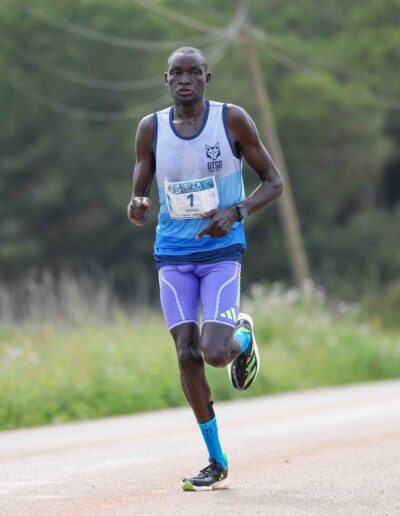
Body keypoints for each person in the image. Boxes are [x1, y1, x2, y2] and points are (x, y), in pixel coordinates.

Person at [127, 47, 283, 491]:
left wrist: (236, 211)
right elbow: (139, 193)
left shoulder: (231, 120)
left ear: (206, 78)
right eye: (176, 73)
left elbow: (274, 182)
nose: (185, 80)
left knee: (215, 353)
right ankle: (216, 460)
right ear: (166, 79)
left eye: (194, 72)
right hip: (172, 254)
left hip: (221, 252)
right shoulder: (151, 128)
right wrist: (137, 207)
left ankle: (243, 338)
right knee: (186, 355)